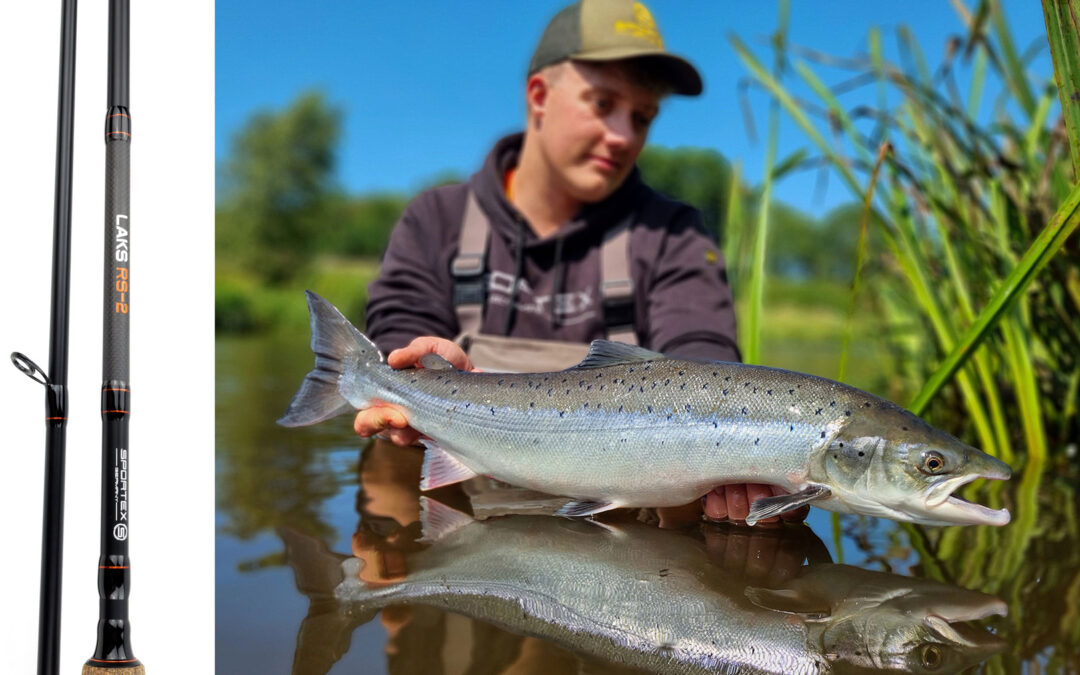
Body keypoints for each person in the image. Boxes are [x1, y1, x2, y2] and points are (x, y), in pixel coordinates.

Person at [355, 0, 806, 524]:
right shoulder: (437, 217)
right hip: (445, 478)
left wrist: (746, 460)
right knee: (388, 534)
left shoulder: (674, 235)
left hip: (617, 508)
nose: (623, 136)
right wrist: (409, 357)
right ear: (539, 97)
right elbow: (398, 322)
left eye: (642, 117)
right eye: (603, 103)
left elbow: (705, 358)